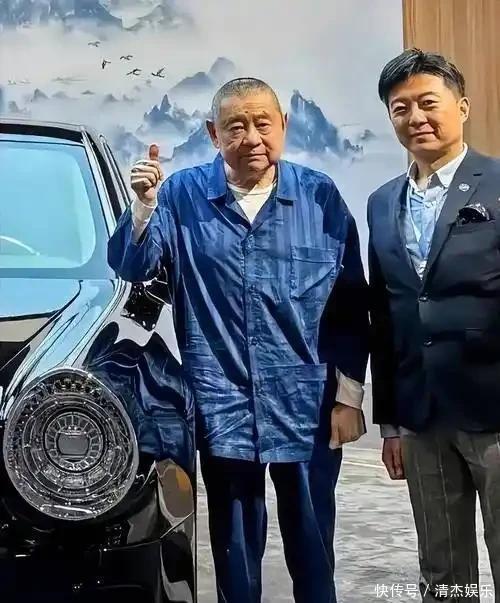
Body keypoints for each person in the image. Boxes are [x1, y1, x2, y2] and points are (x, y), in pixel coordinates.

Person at [108, 77, 369, 603]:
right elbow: (132, 266)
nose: (252, 137)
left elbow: (349, 306)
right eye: (235, 126)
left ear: (284, 126)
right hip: (221, 400)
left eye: (263, 123)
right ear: (213, 133)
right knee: (234, 551)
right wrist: (143, 207)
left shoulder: (319, 196)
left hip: (306, 403)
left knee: (313, 546)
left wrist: (348, 397)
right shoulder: (181, 196)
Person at [368, 48, 500, 601]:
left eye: (428, 103)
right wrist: (390, 423)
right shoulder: (381, 203)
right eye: (401, 108)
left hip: (494, 411)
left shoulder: (496, 183)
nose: (415, 117)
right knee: (443, 573)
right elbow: (385, 315)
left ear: (462, 107)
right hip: (421, 418)